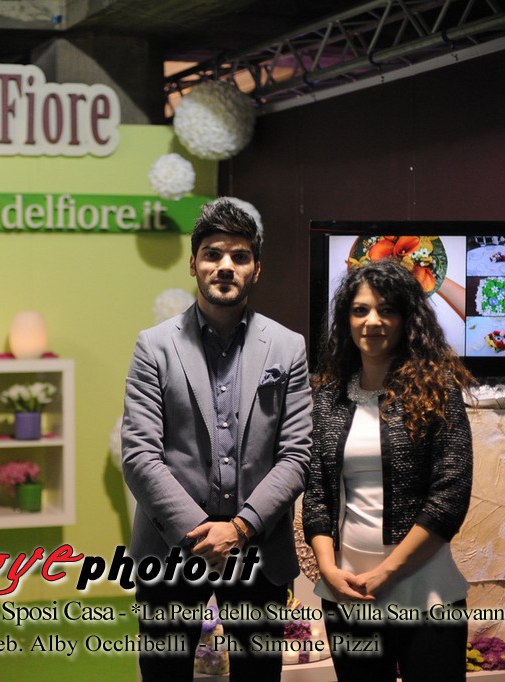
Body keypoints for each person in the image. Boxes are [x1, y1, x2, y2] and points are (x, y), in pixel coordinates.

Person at [122, 198, 312, 681]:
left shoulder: (288, 347)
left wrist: (240, 529)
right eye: (212, 254)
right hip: (170, 550)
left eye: (239, 256)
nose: (225, 265)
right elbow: (140, 456)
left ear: (256, 269)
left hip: (258, 549)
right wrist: (200, 534)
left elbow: (296, 456)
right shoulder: (154, 346)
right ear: (193, 264)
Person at [302, 258, 474, 682]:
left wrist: (386, 572)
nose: (372, 321)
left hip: (427, 591)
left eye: (387, 310)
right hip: (347, 592)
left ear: (406, 319)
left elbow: (449, 498)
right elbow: (317, 495)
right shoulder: (328, 396)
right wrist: (327, 569)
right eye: (360, 310)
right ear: (347, 319)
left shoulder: (438, 388)